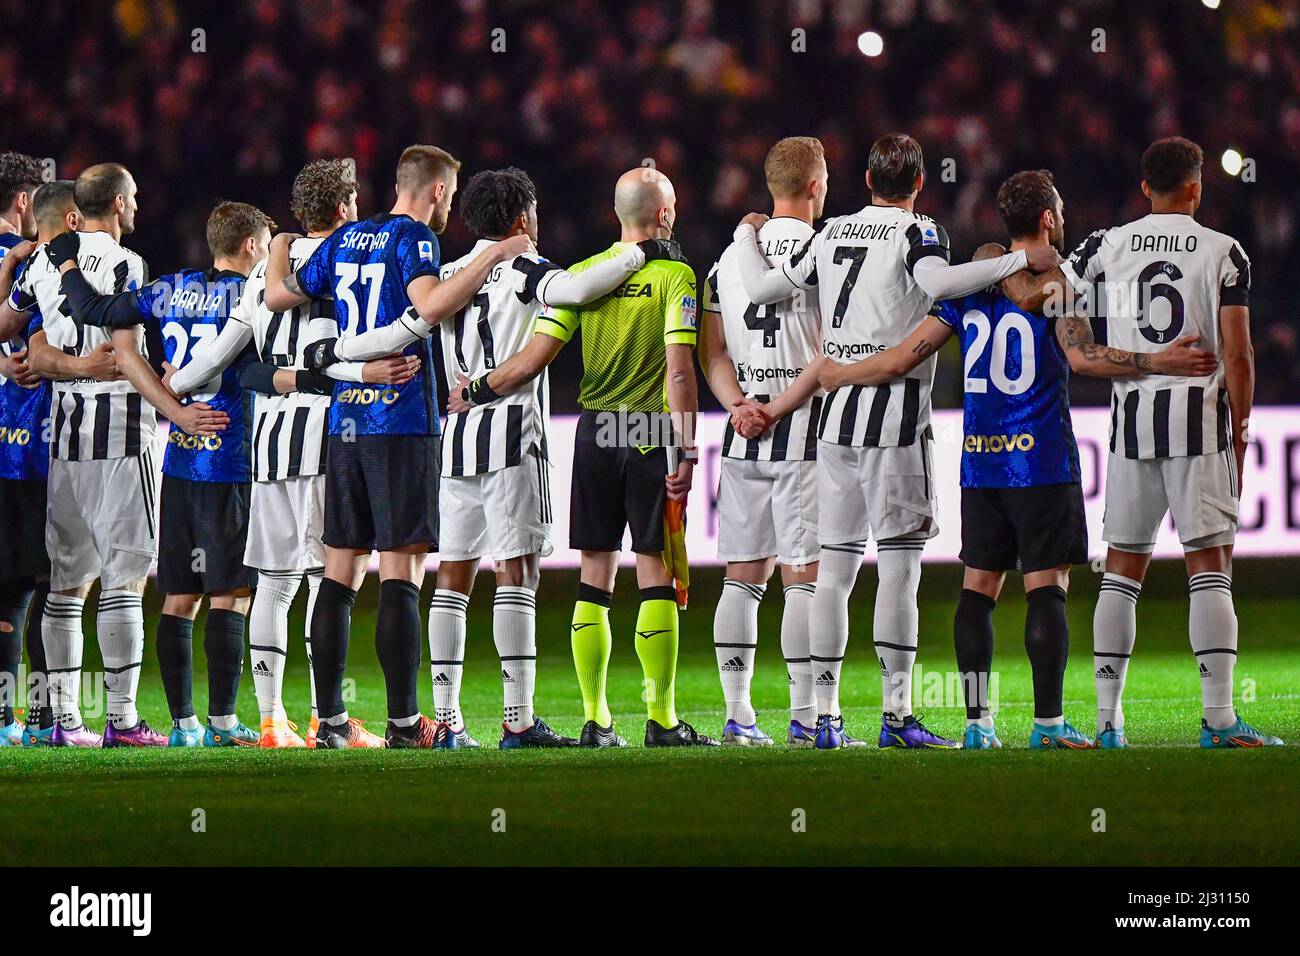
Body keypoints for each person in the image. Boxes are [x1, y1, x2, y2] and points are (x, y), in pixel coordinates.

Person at [824, 169, 1217, 749]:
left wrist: (834, 374)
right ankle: (1049, 725)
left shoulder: (969, 287)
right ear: (1050, 220)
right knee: (1046, 588)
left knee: (977, 589)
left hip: (979, 463)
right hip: (1040, 461)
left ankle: (978, 726)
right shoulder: (1055, 287)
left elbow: (902, 357)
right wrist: (1159, 360)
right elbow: (1084, 360)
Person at [732, 132, 1057, 749]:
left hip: (834, 423)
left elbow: (766, 289)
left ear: (865, 183)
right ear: (918, 186)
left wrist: (745, 236)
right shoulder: (918, 233)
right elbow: (940, 282)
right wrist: (1018, 260)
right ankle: (897, 715)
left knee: (834, 573)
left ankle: (822, 718)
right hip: (896, 425)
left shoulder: (830, 234)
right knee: (899, 575)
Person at [996, 138, 1282, 748]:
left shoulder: (1106, 244)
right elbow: (1238, 350)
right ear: (1197, 188)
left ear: (1143, 188)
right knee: (1210, 568)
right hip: (1199, 426)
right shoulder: (1225, 253)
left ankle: (1108, 723)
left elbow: (1046, 285)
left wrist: (1000, 260)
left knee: (1121, 573)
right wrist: (1242, 420)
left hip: (1130, 429)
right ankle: (1220, 720)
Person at [262, 145, 532, 749]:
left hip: (343, 425)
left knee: (339, 571)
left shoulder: (345, 238)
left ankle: (328, 720)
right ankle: (407, 723)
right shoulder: (415, 238)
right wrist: (494, 253)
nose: (451, 208)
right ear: (436, 191)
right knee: (401, 573)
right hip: (400, 420)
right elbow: (431, 305)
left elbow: (279, 295)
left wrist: (280, 240)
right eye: (451, 197)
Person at [447, 167, 710, 747]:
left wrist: (473, 391)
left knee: (595, 575)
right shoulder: (677, 276)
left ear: (619, 215)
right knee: (655, 573)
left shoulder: (583, 275)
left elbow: (534, 356)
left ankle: (596, 719)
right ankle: (662, 721)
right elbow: (678, 370)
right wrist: (687, 448)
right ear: (664, 215)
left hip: (594, 432)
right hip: (646, 429)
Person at [162, 159, 414, 747]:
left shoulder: (261, 278)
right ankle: (330, 718)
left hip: (269, 442)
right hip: (332, 433)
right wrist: (358, 371)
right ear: (346, 206)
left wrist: (168, 391)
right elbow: (344, 349)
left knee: (274, 584)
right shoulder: (347, 261)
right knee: (333, 577)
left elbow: (223, 360)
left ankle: (274, 719)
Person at [4, 163, 225, 747]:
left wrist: (9, 273)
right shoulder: (127, 263)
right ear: (120, 205)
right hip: (122, 433)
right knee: (124, 582)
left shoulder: (43, 260)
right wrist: (175, 412)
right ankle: (123, 720)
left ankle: (63, 721)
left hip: (65, 435)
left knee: (66, 586)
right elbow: (125, 356)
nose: (137, 205)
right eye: (134, 197)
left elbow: (10, 324)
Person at [55, 201, 280, 746]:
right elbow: (256, 369)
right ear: (251, 246)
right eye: (268, 246)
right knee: (232, 596)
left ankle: (182, 726)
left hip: (177, 458)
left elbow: (98, 312)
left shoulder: (167, 286)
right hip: (231, 458)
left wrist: (65, 267)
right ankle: (224, 723)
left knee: (179, 598)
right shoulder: (251, 296)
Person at [698, 136, 828, 746]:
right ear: (814, 187)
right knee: (804, 576)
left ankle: (739, 715)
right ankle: (807, 718)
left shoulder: (726, 260)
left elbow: (712, 352)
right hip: (804, 430)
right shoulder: (829, 251)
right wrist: (774, 408)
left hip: (744, 434)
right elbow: (833, 352)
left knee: (742, 577)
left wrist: (739, 407)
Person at [0, 153, 52, 746]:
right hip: (30, 445)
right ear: (23, 203)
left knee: (10, 586)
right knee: (44, 581)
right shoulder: (31, 265)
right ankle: (44, 719)